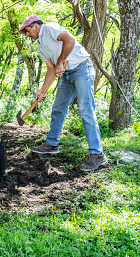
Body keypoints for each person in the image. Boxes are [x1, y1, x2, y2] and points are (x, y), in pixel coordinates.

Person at [19, 14, 107, 171]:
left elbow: (70, 41)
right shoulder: (40, 45)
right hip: (66, 73)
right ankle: (51, 144)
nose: (27, 34)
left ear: (36, 26)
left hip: (82, 68)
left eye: (27, 30)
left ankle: (97, 154)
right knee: (58, 108)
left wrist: (60, 62)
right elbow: (51, 69)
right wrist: (42, 89)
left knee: (85, 110)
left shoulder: (51, 28)